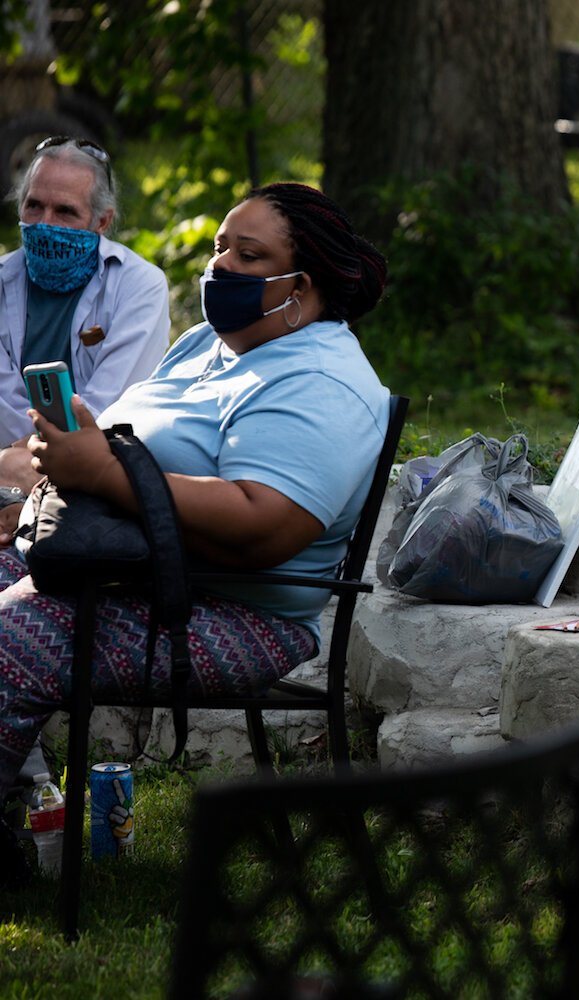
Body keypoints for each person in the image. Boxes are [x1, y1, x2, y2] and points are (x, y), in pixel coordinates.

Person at [0, 182, 390, 884]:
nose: (221, 267)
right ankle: (18, 813)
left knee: (8, 638)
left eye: (248, 255)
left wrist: (101, 474)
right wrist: (64, 459)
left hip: (232, 611)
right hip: (120, 565)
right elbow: (122, 445)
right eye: (219, 247)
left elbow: (264, 525)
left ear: (300, 287)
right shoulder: (205, 344)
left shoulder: (324, 382)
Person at [0, 137, 170, 542]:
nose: (45, 223)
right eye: (34, 206)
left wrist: (27, 460)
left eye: (65, 211)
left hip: (94, 466)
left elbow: (112, 401)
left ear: (102, 221)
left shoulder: (139, 286)